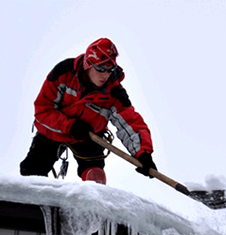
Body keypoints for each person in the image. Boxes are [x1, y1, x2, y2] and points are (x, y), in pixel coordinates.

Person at [20, 38, 157, 184]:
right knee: (32, 172)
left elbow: (131, 123)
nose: (105, 75)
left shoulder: (115, 93)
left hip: (89, 136)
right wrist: (70, 126)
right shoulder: (63, 72)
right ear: (88, 64)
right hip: (54, 130)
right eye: (100, 69)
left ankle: (90, 203)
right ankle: (32, 203)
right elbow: (43, 109)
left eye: (110, 70)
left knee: (95, 177)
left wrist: (143, 153)